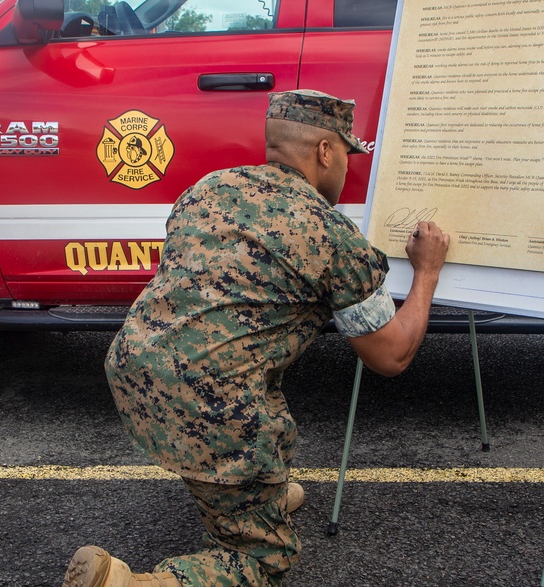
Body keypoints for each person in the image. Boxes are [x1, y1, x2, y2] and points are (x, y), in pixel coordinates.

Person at [62, 89, 450, 587]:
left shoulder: (208, 189)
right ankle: (131, 582)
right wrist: (427, 272)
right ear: (325, 152)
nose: (346, 171)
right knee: (264, 557)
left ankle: (257, 494)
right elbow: (391, 356)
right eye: (346, 156)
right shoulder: (330, 233)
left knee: (262, 394)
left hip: (135, 368)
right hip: (209, 402)